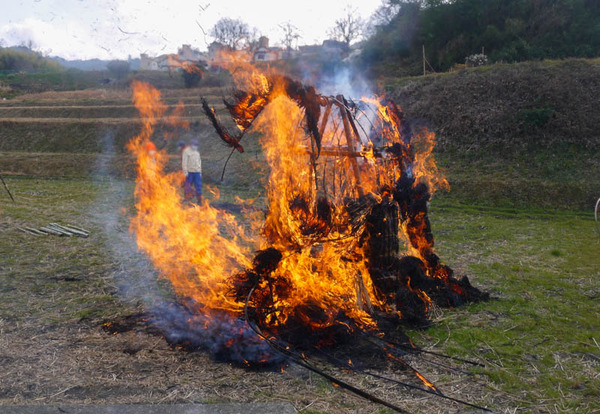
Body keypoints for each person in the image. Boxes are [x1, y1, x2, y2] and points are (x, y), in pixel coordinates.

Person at [182, 138, 202, 204]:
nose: (195, 146)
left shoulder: (197, 153)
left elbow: (199, 163)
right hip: (189, 172)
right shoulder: (186, 152)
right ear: (191, 145)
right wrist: (185, 172)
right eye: (194, 145)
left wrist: (200, 172)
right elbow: (184, 162)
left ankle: (199, 200)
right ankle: (186, 200)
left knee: (198, 186)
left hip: (197, 173)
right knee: (187, 186)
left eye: (196, 145)